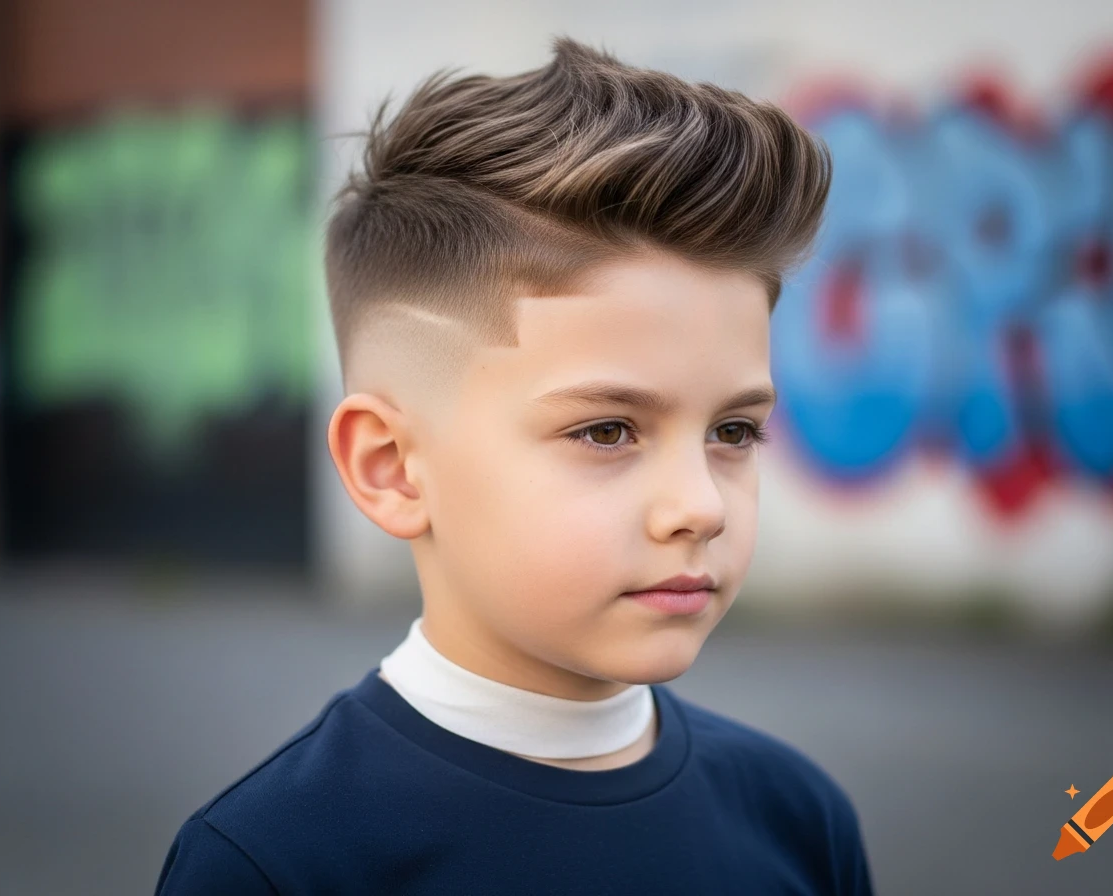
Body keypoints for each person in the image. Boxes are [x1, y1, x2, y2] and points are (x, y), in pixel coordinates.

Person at [156, 35, 873, 895]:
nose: (701, 507)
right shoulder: (278, 863)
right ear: (392, 467)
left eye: (733, 432)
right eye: (607, 431)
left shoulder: (797, 820)